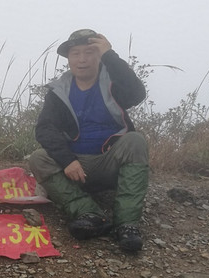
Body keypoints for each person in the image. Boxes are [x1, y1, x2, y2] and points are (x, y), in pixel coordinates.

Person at [28, 29, 149, 252]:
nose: (82, 59)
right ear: (68, 59)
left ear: (99, 56)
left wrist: (111, 56)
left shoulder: (113, 83)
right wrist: (67, 161)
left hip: (109, 162)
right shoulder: (58, 91)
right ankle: (90, 213)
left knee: (135, 141)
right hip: (75, 168)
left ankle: (127, 225)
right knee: (38, 158)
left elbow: (137, 94)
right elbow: (45, 129)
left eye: (90, 52)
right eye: (75, 53)